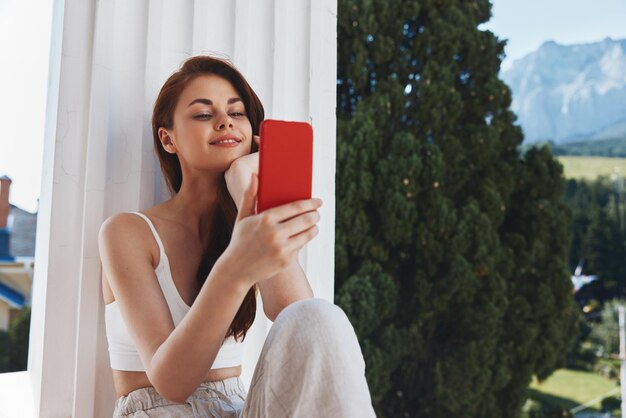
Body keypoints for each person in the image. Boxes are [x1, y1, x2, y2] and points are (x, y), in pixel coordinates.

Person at [98, 55, 376, 417]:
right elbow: (172, 382)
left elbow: (297, 318)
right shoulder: (128, 233)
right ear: (168, 139)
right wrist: (236, 268)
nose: (225, 121)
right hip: (161, 410)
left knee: (320, 317)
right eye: (202, 114)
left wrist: (253, 190)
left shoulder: (244, 229)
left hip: (239, 408)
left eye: (237, 112)